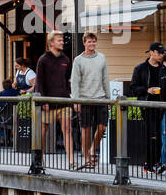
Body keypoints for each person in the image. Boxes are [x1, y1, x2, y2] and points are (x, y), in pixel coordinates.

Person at [129, 42, 166, 174]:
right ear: (151, 52)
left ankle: (155, 163)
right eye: (159, 53)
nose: (162, 55)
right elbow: (133, 88)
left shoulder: (162, 68)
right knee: (152, 135)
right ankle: (150, 165)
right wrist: (147, 90)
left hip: (160, 107)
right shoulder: (140, 68)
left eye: (163, 53)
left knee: (158, 135)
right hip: (146, 106)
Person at [69, 31, 110, 170]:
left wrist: (108, 98)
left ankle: (92, 149)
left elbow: (105, 79)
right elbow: (75, 82)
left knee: (102, 127)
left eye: (94, 41)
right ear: (84, 43)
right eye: (89, 41)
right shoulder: (78, 60)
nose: (92, 44)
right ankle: (86, 156)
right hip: (84, 99)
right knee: (85, 129)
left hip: (100, 98)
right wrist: (76, 101)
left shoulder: (102, 58)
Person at [35, 31, 76, 168]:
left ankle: (71, 161)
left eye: (62, 40)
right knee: (43, 131)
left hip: (64, 101)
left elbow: (68, 80)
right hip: (48, 102)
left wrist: (70, 97)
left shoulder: (66, 59)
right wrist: (43, 101)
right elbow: (39, 82)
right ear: (51, 43)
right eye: (59, 40)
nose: (62, 42)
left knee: (67, 130)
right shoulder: (43, 59)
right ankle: (39, 160)